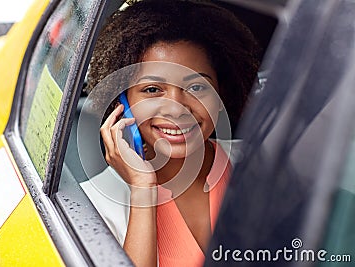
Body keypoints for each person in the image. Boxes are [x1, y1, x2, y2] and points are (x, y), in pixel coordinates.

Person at [80, 0, 260, 266]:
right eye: (153, 89)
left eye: (197, 87)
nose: (177, 109)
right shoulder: (93, 206)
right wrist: (143, 189)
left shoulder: (257, 162)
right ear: (123, 104)